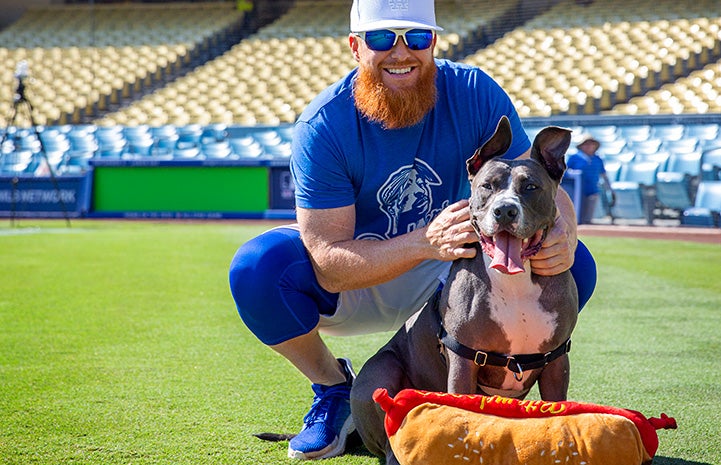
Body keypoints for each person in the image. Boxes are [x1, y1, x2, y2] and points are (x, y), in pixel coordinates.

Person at [228, 0, 597, 460]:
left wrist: (566, 234)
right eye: (382, 39)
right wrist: (425, 241)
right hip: (363, 273)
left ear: (434, 43)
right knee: (258, 269)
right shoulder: (324, 124)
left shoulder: (475, 92)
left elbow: (540, 184)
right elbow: (327, 263)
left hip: (459, 269)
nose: (401, 52)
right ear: (354, 46)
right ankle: (334, 390)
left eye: (416, 38)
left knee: (574, 264)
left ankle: (500, 391)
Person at [567, 134, 615, 224]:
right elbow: (566, 172)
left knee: (588, 216)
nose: (589, 146)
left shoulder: (597, 159)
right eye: (586, 144)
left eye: (591, 144)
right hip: (576, 191)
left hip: (592, 189)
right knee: (576, 214)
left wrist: (610, 189)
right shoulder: (574, 158)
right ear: (581, 146)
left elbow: (603, 175)